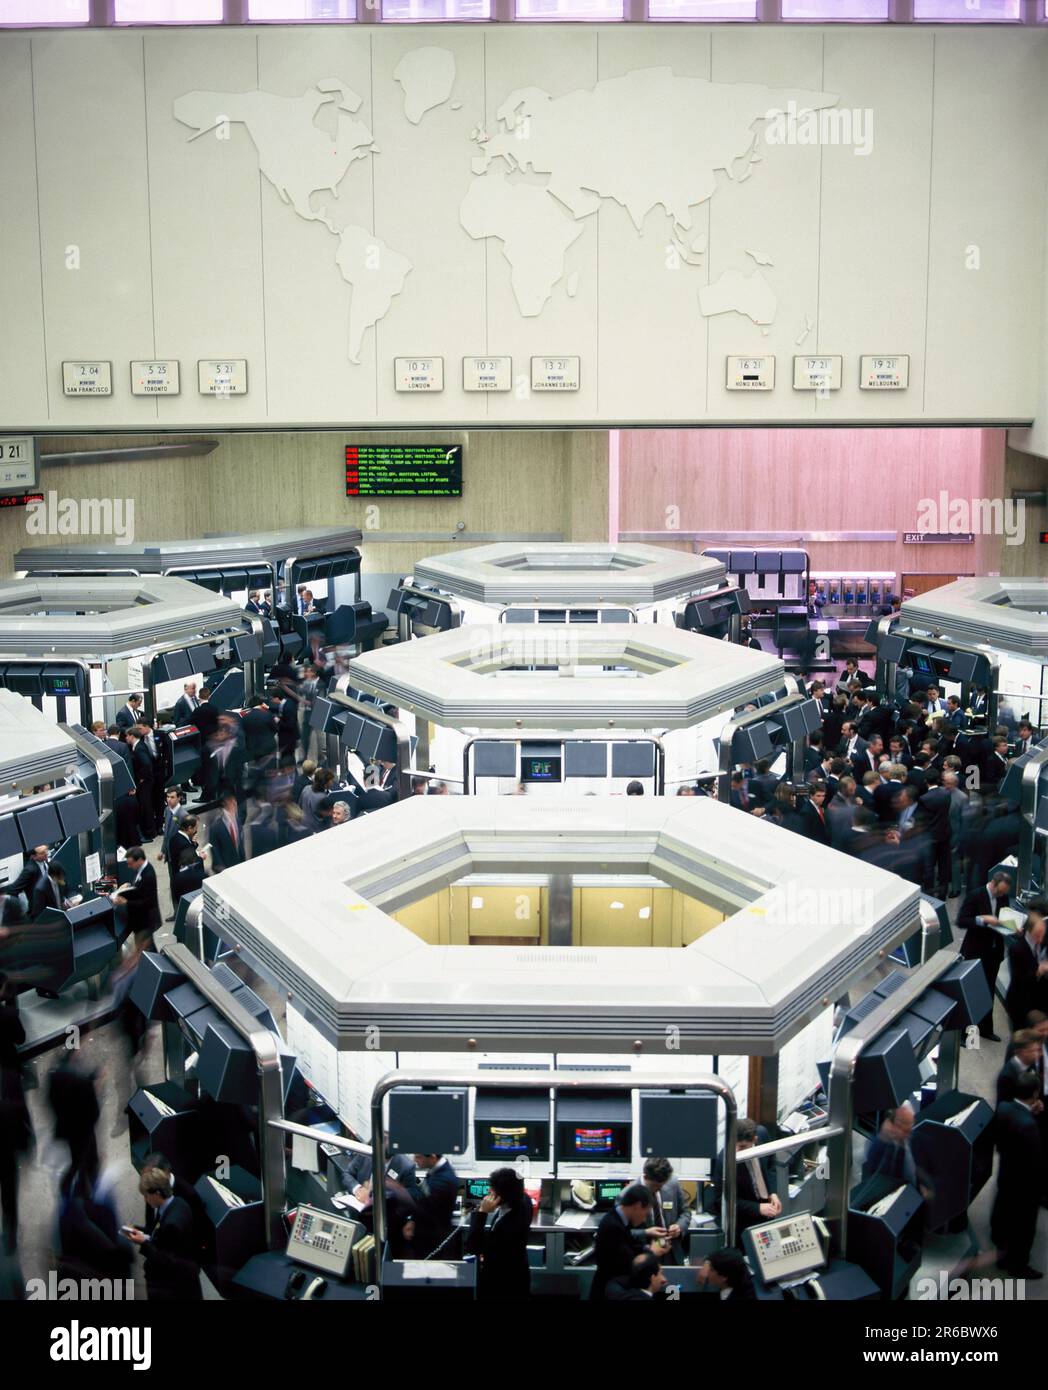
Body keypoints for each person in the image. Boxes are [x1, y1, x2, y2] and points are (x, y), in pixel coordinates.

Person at [990, 1071, 1043, 1279]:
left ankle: (1002, 1256)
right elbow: (1035, 1163)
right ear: (1034, 1094)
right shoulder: (1028, 1127)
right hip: (1025, 1186)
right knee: (1024, 1227)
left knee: (1005, 1217)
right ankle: (1019, 1264)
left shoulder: (1004, 1108)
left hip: (1007, 1176)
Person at [126, 1165, 202, 1300]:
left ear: (157, 1194)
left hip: (173, 1288)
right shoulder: (178, 1203)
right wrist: (140, 1230)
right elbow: (159, 1234)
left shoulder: (171, 1224)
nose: (145, 1199)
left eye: (146, 1195)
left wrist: (143, 1241)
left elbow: (164, 1258)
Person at [959, 870, 1014, 1041]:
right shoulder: (976, 895)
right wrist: (982, 920)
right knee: (970, 991)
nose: (1001, 895)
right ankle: (963, 1033)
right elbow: (962, 920)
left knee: (988, 990)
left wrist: (1013, 927)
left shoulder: (1003, 897)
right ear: (993, 884)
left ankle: (985, 1028)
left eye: (1004, 893)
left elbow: (1004, 919)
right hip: (975, 951)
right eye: (999, 892)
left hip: (993, 952)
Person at [465, 1167, 534, 1300]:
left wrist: (482, 1213)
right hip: (520, 1273)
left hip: (501, 1283)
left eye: (493, 1189)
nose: (489, 1191)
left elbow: (473, 1247)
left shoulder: (509, 1228)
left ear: (504, 1195)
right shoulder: (524, 1199)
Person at [710, 1117, 779, 1246]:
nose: (737, 1151)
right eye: (735, 1145)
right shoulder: (723, 1160)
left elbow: (771, 1164)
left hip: (767, 1212)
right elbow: (721, 1200)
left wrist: (773, 1192)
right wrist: (757, 1208)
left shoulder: (763, 1134)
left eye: (742, 1147)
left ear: (755, 1140)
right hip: (742, 1221)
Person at [590, 1183, 664, 1301]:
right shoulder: (612, 1226)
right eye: (645, 1214)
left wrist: (646, 1249)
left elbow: (631, 1245)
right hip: (609, 1293)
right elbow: (626, 1262)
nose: (644, 1219)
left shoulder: (621, 1220)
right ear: (637, 1206)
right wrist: (651, 1254)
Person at [0, 978, 31, 1254]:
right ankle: (9, 1231)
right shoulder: (8, 1015)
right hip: (8, 1068)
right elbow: (20, 1038)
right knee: (8, 1189)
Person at [632, 1156, 692, 1264]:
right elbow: (624, 1233)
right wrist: (646, 1233)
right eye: (656, 1186)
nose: (660, 1189)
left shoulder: (673, 1183)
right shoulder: (629, 1194)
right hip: (644, 1255)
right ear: (645, 1177)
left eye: (663, 1185)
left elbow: (685, 1212)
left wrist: (679, 1226)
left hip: (672, 1252)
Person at [860, 1104, 928, 1194]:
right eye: (906, 1130)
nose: (909, 1134)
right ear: (897, 1125)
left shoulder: (904, 1140)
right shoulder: (883, 1149)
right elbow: (887, 1186)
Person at [402, 1152, 459, 1259]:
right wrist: (412, 1220)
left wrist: (398, 1191)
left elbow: (426, 1209)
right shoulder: (436, 1171)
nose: (415, 1159)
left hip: (434, 1243)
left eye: (418, 1156)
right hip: (427, 1238)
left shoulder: (443, 1180)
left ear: (432, 1157)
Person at [1004, 899, 1048, 1032]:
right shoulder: (1017, 949)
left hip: (1037, 1003)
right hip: (1021, 1007)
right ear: (1030, 931)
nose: (1042, 937)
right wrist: (1039, 970)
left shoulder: (1040, 943)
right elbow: (1020, 980)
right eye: (1039, 934)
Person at [111, 846, 161, 947]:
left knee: (146, 950)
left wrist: (126, 902)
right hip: (141, 921)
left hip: (145, 921)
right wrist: (130, 886)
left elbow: (148, 902)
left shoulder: (148, 875)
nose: (129, 866)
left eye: (130, 863)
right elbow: (140, 889)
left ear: (139, 860)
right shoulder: (142, 869)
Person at [996, 1031, 1045, 1105]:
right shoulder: (1007, 1076)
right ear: (1022, 1052)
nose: (1040, 1054)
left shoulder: (1031, 1063)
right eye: (1034, 1051)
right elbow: (1004, 1105)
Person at [209, 788, 245, 873]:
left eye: (235, 801)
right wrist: (222, 870)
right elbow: (215, 851)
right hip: (225, 869)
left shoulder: (238, 820)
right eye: (231, 801)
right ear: (225, 803)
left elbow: (240, 843)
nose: (235, 803)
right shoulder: (215, 827)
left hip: (239, 865)